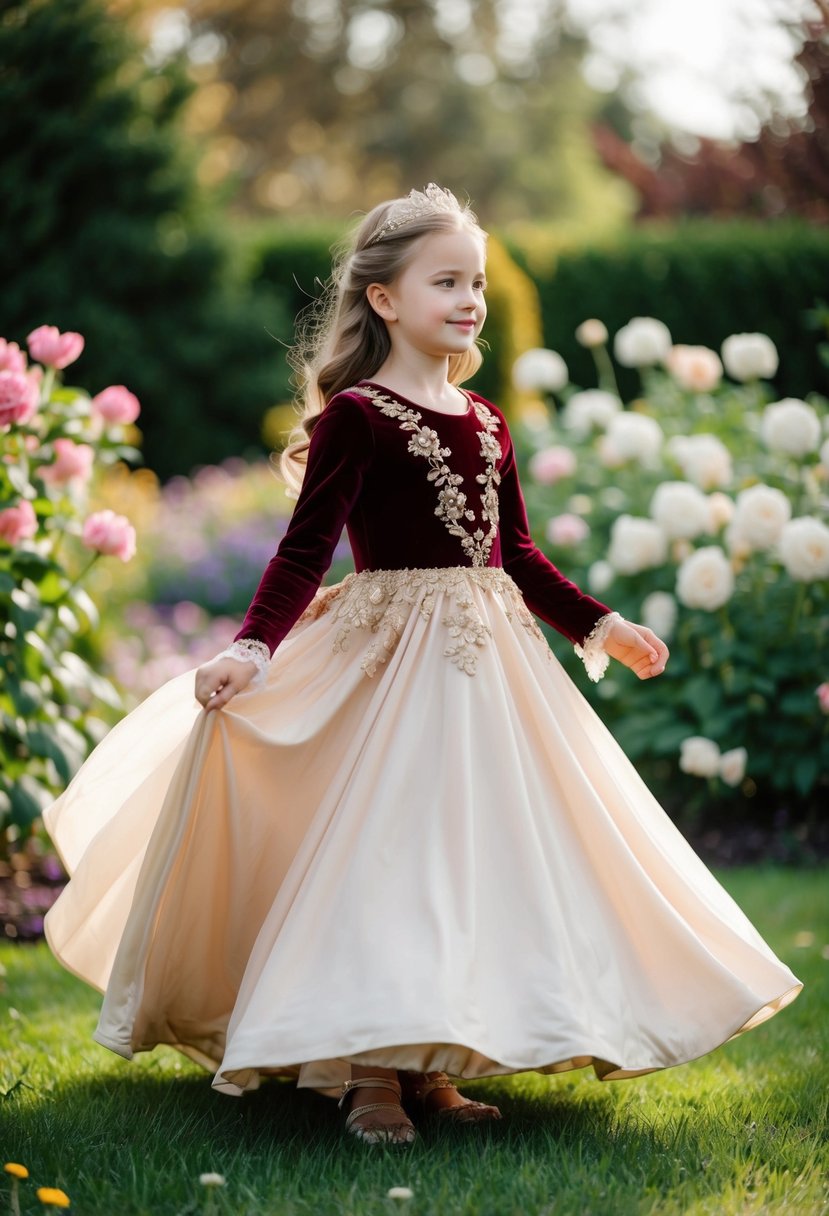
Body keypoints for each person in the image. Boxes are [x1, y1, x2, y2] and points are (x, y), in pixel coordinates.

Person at [44, 184, 802, 1148]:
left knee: (470, 856)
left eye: (475, 281)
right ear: (385, 299)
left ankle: (433, 1061)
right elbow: (303, 548)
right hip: (389, 664)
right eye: (445, 280)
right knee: (385, 857)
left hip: (491, 669)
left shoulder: (487, 421)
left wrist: (599, 626)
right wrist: (249, 646)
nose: (469, 298)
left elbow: (514, 555)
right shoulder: (358, 417)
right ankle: (369, 1075)